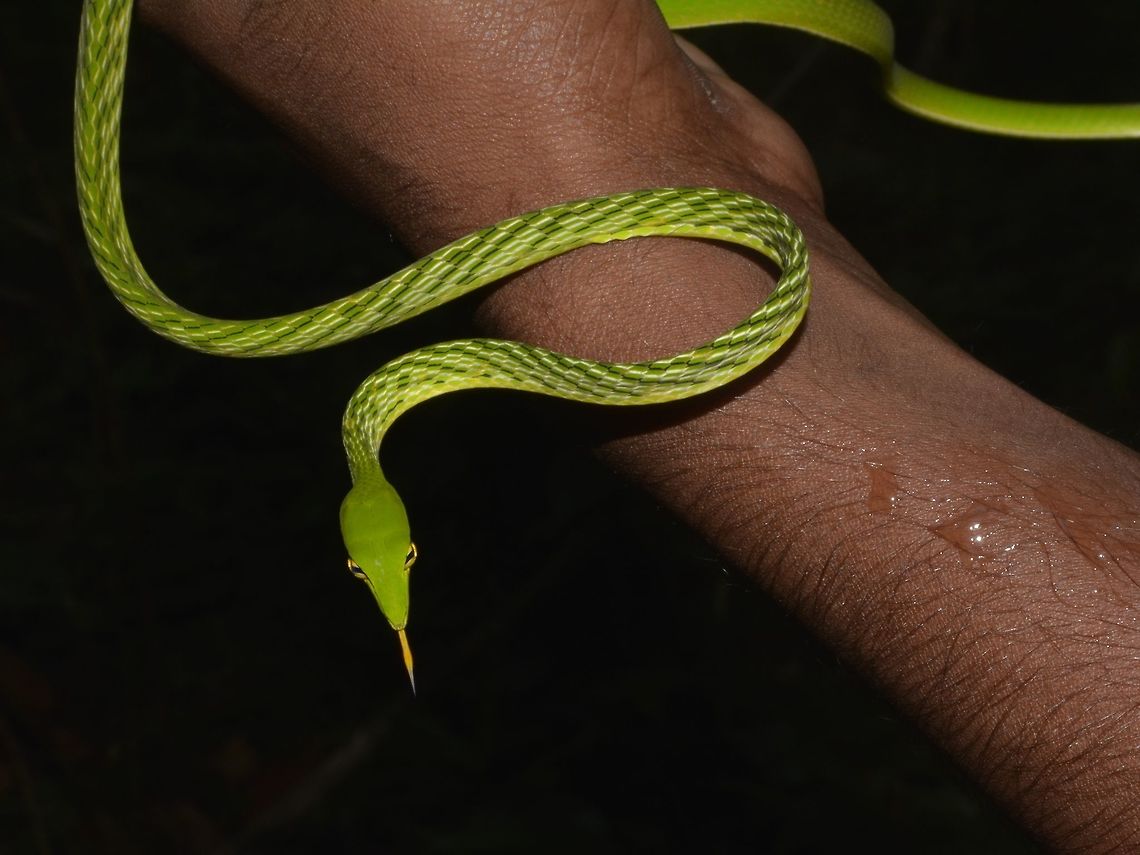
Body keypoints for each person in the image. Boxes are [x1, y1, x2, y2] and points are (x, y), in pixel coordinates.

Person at [137, 0, 1140, 848]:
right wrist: (624, 158)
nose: (393, 577)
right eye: (385, 568)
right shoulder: (388, 398)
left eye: (386, 563)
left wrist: (607, 158)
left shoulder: (382, 401)